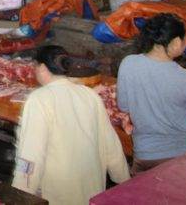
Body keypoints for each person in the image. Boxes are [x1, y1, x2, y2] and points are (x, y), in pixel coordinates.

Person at [12, 45, 129, 203]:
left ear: (42, 68)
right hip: (92, 189)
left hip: (58, 193)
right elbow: (111, 144)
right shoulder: (89, 94)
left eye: (35, 66)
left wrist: (21, 194)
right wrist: (124, 180)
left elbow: (31, 153)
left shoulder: (39, 99)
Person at [117, 13, 186, 173]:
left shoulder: (128, 64)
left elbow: (123, 105)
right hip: (185, 158)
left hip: (145, 156)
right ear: (177, 42)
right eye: (185, 39)